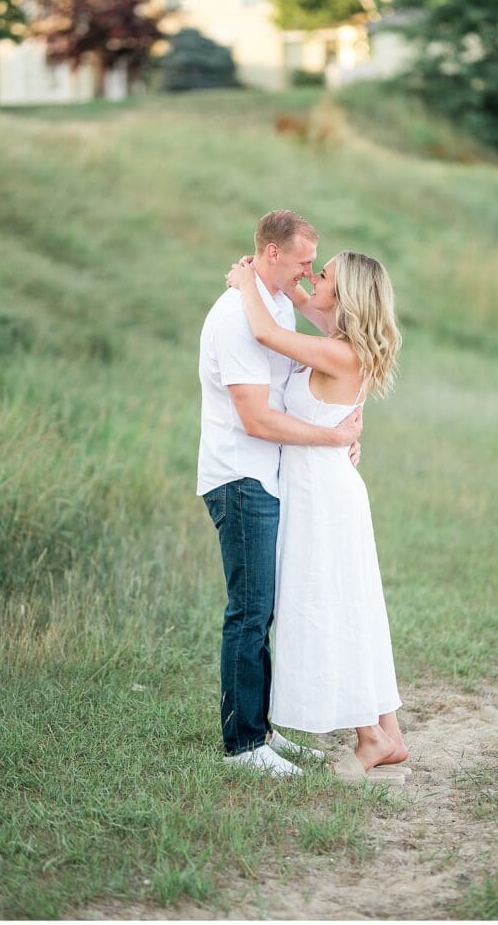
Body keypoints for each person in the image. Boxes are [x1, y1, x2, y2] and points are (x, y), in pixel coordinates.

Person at [225, 249, 409, 784]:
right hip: (325, 487)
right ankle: (388, 734)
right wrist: (286, 278)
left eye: (322, 274)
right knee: (355, 605)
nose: (312, 278)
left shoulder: (341, 354)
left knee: (331, 607)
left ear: (344, 294)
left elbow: (265, 333)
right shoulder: (341, 341)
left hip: (322, 496)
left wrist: (244, 283)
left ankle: (371, 737)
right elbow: (310, 305)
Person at [197, 210, 363, 778]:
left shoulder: (274, 303)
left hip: (270, 476)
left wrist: (349, 417)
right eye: (302, 263)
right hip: (241, 477)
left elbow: (343, 331)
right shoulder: (236, 319)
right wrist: (331, 436)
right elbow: (256, 420)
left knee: (264, 609)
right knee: (250, 611)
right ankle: (243, 747)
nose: (308, 273)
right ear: (272, 255)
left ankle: (260, 729)